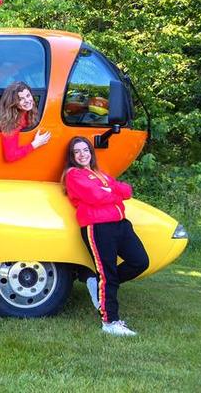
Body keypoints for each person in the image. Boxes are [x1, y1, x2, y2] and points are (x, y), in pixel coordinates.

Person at [63, 136, 149, 336]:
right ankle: (110, 322)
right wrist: (113, 191)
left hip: (121, 224)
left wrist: (110, 190)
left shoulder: (100, 174)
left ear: (91, 153)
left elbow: (127, 190)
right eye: (77, 151)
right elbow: (96, 196)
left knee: (140, 261)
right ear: (72, 156)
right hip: (99, 227)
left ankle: (98, 284)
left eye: (86, 150)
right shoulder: (73, 175)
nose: (82, 154)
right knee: (108, 273)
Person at [0, 82, 51, 162]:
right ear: (13, 103)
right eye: (21, 99)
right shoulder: (12, 122)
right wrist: (35, 144)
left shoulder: (29, 110)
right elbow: (10, 156)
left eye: (28, 96)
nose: (27, 100)